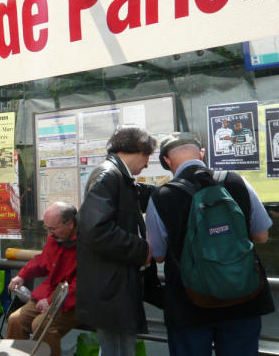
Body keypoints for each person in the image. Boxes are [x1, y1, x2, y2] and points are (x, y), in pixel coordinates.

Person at [146, 132, 274, 356]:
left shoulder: (161, 196)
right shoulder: (236, 181)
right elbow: (262, 235)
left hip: (190, 303)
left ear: (166, 161)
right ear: (202, 154)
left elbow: (157, 254)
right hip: (243, 297)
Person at [76, 125, 157, 356]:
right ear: (138, 149)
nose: (147, 164)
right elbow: (95, 230)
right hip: (112, 287)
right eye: (147, 156)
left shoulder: (116, 175)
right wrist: (141, 249)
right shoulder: (109, 175)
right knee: (119, 350)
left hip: (112, 284)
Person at [6, 201, 78, 356]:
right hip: (50, 295)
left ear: (70, 224)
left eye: (53, 228)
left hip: (75, 302)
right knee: (15, 320)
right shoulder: (56, 238)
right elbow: (43, 260)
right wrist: (22, 275)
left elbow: (83, 284)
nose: (49, 234)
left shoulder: (87, 245)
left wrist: (52, 300)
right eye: (47, 228)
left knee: (42, 324)